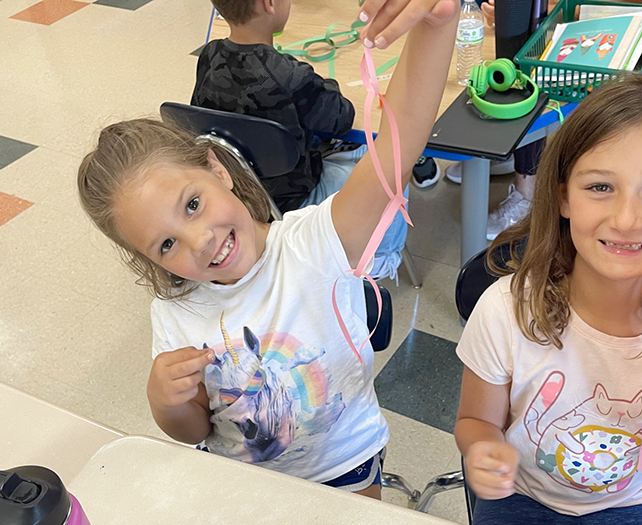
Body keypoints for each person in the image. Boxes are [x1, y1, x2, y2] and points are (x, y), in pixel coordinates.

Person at [78, 0, 459, 500]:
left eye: (192, 204)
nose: (201, 241)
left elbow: (401, 137)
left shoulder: (317, 241)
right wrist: (166, 402)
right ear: (148, 259)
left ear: (217, 168)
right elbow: (195, 432)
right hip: (245, 488)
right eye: (167, 243)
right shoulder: (173, 315)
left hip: (346, 465)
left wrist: (439, 22)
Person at [453, 73, 642, 523]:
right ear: (563, 197)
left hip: (636, 504)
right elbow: (476, 422)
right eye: (600, 186)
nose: (626, 219)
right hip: (523, 498)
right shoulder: (506, 309)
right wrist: (483, 450)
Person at [192, 0, 441, 278]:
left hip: (242, 192)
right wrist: (316, 82)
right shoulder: (289, 76)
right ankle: (384, 257)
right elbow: (342, 117)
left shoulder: (209, 55)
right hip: (296, 197)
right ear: (270, 4)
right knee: (390, 160)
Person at [454, 0, 642, 241]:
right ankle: (511, 156)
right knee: (529, 56)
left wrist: (537, 11)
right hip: (611, 24)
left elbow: (614, 6)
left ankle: (527, 194)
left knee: (539, 86)